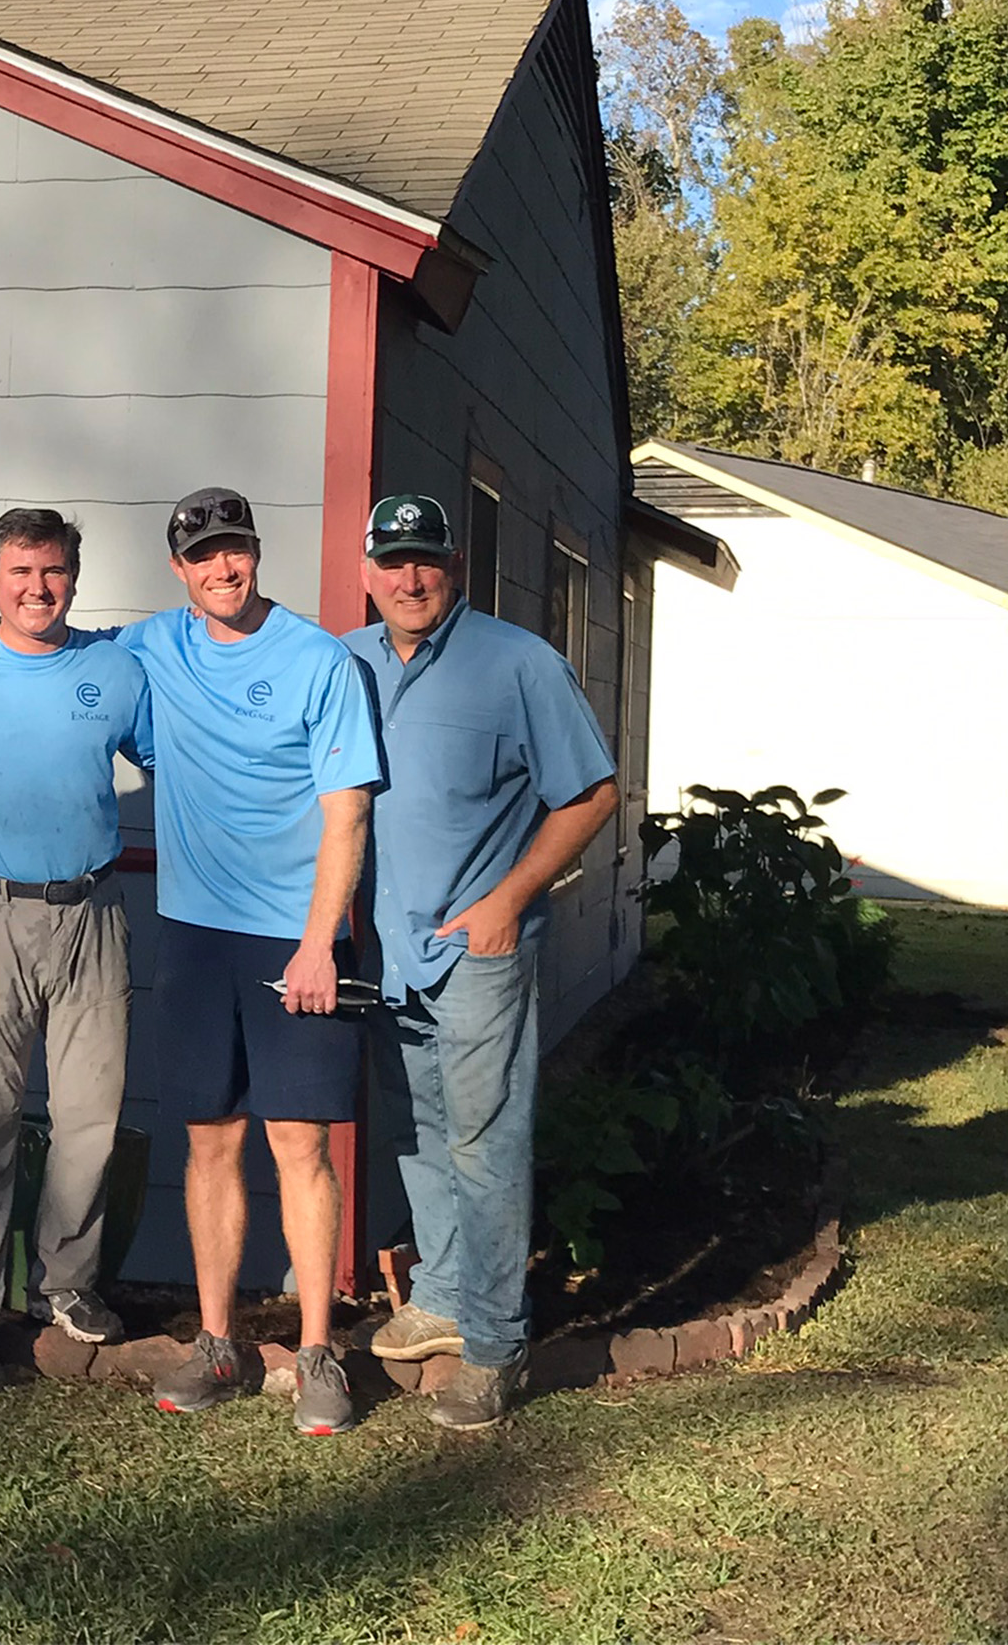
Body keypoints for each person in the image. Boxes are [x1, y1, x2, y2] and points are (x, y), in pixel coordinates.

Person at [0, 487, 381, 1435]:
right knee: (207, 1140)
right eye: (203, 556)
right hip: (189, 929)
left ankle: (316, 1354)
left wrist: (321, 941)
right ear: (179, 571)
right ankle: (216, 1341)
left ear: (255, 555)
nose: (223, 569)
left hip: (292, 937)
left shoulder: (316, 660)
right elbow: (37, 638)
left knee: (298, 1145)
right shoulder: (148, 648)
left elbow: (348, 810)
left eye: (237, 551)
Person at [347, 493, 618, 1430]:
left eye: (426, 560)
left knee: (486, 1142)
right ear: (368, 570)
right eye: (392, 561)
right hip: (386, 952)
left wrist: (511, 900)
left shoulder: (520, 664)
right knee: (418, 1132)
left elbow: (590, 793)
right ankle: (448, 1292)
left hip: (480, 950)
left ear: (453, 566)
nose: (409, 578)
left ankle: (499, 1343)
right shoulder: (345, 663)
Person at [0, 508, 153, 1395]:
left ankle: (69, 1283)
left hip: (91, 909)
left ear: (75, 578)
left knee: (91, 1117)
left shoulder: (116, 671)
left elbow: (182, 755)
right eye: (19, 572)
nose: (36, 589)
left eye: (52, 572)